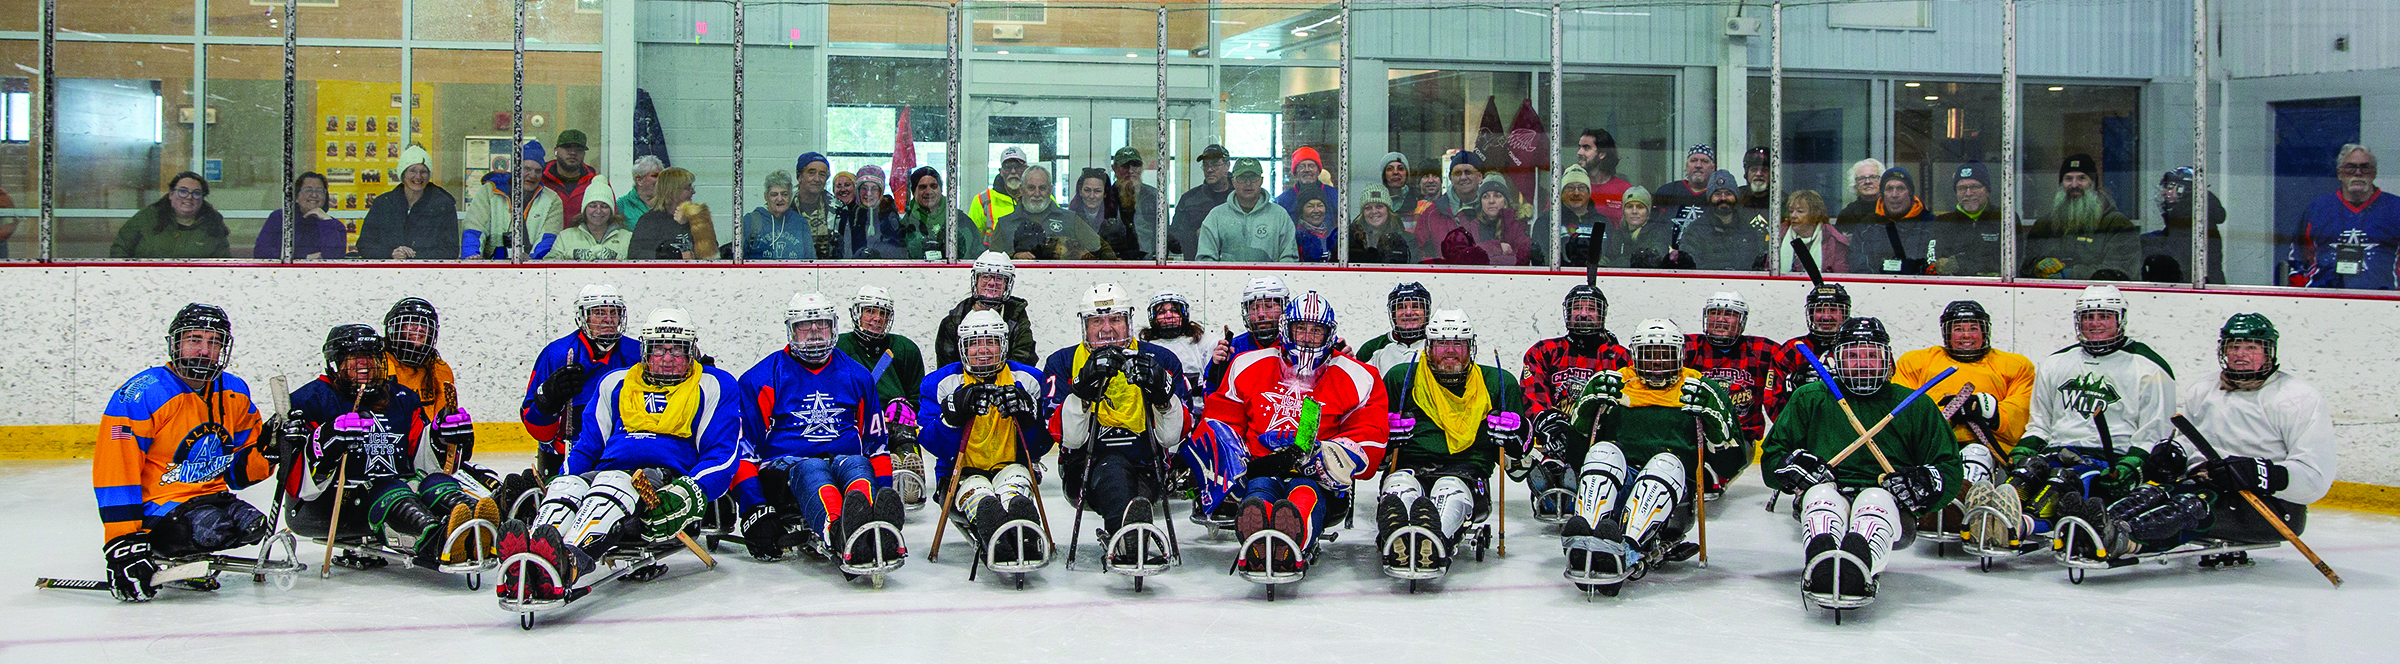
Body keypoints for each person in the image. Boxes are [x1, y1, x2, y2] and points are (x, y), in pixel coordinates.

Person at [495, 309, 734, 601]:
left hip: (659, 482)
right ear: (644, 351)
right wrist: (564, 479)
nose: (668, 358)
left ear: (692, 351)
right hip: (609, 471)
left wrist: (688, 494)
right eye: (659, 349)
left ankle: (566, 564)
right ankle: (528, 560)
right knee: (567, 487)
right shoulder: (615, 382)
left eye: (677, 350)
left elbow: (722, 456)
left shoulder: (712, 384)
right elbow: (587, 447)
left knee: (613, 484)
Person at [2097, 313, 2334, 564]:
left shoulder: (2298, 398)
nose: (2241, 354)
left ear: (2268, 353)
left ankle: (2124, 540)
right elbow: (2190, 442)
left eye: (2251, 347)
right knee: (2150, 494)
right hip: (2209, 487)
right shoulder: (2205, 389)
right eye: (2234, 346)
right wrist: (2174, 455)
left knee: (2189, 508)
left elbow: (2315, 476)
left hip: (2272, 506)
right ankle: (2100, 525)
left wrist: (2262, 473)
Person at [1761, 317, 1961, 606]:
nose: (1863, 363)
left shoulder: (1916, 404)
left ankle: (1857, 571)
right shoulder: (1810, 398)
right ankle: (1822, 565)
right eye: (1853, 355)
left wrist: (1924, 481)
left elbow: (1949, 467)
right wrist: (1792, 467)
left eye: (1872, 355)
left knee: (1875, 499)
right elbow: (1772, 461)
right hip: (1828, 493)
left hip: (1889, 505)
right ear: (1836, 360)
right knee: (1820, 496)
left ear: (1888, 360)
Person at [93, 304, 272, 601]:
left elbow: (239, 471)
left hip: (211, 496)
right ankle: (171, 549)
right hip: (161, 505)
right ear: (175, 344)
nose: (204, 350)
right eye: (194, 340)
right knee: (214, 531)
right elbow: (115, 471)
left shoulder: (234, 391)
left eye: (213, 342)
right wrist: (121, 541)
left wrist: (271, 450)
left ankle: (191, 552)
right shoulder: (142, 394)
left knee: (253, 527)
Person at [1202, 292, 1386, 572]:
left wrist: (1334, 456)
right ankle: (1257, 540)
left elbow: (1371, 432)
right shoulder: (1247, 364)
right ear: (1286, 329)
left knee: (1304, 495)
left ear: (1329, 334)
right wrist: (1233, 458)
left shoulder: (1357, 375)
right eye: (1301, 329)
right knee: (1257, 497)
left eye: (1316, 331)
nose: (1307, 338)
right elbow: (1220, 419)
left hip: (1318, 478)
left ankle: (1289, 545)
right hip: (1262, 468)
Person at [285, 324, 491, 571]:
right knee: (389, 488)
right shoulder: (310, 399)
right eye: (354, 358)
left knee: (435, 483)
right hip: (329, 508)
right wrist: (326, 441)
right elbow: (296, 484)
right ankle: (438, 542)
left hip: (391, 493)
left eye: (370, 356)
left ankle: (480, 528)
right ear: (336, 363)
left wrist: (441, 438)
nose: (364, 364)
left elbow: (421, 461)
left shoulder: (402, 397)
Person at [1555, 318, 1736, 588]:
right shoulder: (1615, 385)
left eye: (1664, 355)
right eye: (1649, 355)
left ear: (1680, 355)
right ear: (1635, 355)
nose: (1657, 364)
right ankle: (1586, 539)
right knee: (1604, 451)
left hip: (1672, 494)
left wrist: (1719, 431)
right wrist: (1583, 416)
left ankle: (1626, 550)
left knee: (1664, 463)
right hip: (1620, 484)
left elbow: (1729, 465)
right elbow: (1578, 459)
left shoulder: (1699, 389)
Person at [733, 293, 903, 564]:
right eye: (804, 326)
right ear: (791, 330)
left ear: (834, 327)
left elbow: (877, 446)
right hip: (784, 472)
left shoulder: (858, 376)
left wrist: (884, 490)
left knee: (858, 464)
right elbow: (743, 452)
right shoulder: (761, 379)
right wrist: (753, 506)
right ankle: (838, 532)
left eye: (822, 325)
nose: (814, 333)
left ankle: (877, 523)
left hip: (843, 462)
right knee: (812, 468)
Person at [1043, 283, 1188, 567]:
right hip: (1084, 469)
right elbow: (1069, 440)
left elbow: (1171, 438)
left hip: (1149, 467)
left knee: (1129, 489)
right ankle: (1130, 530)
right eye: (1097, 320)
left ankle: (1126, 530)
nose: (1106, 329)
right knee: (1114, 470)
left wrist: (1162, 398)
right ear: (1084, 326)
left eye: (1116, 319)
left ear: (1129, 321)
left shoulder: (1162, 359)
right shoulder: (1062, 362)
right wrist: (1081, 393)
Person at [1376, 310, 1524, 571]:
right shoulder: (1401, 378)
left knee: (1449, 489)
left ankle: (1433, 543)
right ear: (1429, 346)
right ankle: (1399, 537)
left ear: (1471, 347)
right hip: (1409, 466)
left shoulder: (1498, 382)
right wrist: (1387, 434)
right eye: (1443, 343)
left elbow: (1519, 458)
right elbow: (1377, 450)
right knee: (1399, 486)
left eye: (1459, 343)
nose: (1450, 351)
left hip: (1466, 471)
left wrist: (1514, 433)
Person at [2015, 285, 2177, 499]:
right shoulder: (2054, 363)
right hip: (2056, 453)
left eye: (2104, 316)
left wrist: (2131, 467)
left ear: (2120, 319)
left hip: (2108, 462)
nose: (2094, 323)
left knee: (2060, 489)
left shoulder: (2150, 368)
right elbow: (2040, 424)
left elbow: (2155, 433)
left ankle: (2026, 525)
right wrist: (2024, 449)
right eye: (2088, 316)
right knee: (2020, 480)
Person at [919, 309, 1053, 565]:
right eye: (974, 343)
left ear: (1003, 345)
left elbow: (1041, 445)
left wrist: (1029, 419)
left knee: (1013, 493)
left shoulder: (1029, 379)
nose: (983, 350)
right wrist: (950, 419)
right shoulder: (940, 383)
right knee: (981, 498)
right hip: (961, 474)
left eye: (990, 341)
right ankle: (998, 538)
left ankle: (1023, 532)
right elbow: (930, 443)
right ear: (962, 348)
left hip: (1013, 467)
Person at [1519, 285, 1631, 519]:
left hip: (1597, 436)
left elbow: (1627, 404)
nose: (1583, 314)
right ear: (1567, 314)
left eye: (1591, 308)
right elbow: (1532, 392)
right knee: (1553, 445)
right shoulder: (1545, 350)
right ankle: (1553, 482)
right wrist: (1548, 421)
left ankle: (1580, 482)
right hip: (1556, 434)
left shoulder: (1619, 356)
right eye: (1577, 308)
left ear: (1602, 315)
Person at [519, 285, 641, 477]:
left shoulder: (638, 354)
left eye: (614, 312)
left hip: (621, 452)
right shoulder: (556, 354)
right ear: (583, 316)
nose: (608, 319)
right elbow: (537, 430)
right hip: (566, 455)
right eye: (599, 313)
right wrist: (547, 402)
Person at [1894, 300, 2034, 458]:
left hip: (1988, 450)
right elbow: (1902, 411)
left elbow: (2023, 413)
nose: (1966, 335)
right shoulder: (1915, 362)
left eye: (1973, 328)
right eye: (1958, 329)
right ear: (1947, 333)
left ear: (1984, 332)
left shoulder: (2016, 365)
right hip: (1932, 447)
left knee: (1977, 457)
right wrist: (1945, 414)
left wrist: (1990, 412)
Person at [1681, 291, 1781, 493]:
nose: (1720, 320)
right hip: (1691, 432)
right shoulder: (1687, 347)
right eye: (1714, 314)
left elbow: (1795, 358)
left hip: (1738, 437)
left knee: (1722, 461)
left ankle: (1713, 477)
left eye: (1729, 314)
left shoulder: (1762, 350)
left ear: (1741, 320)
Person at [2284, 144, 2398, 289]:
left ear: (2374, 173)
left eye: (2365, 167)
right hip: (2324, 301)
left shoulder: (2396, 209)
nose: (2358, 173)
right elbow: (2298, 259)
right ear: (2339, 173)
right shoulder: (2317, 209)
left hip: (2383, 301)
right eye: (2351, 167)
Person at [2023, 154, 2140, 280]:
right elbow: (2024, 268)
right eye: (2068, 178)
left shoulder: (2116, 225)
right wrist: (2037, 266)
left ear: (2093, 183)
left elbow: (2120, 272)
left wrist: (2068, 274)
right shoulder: (2044, 225)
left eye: (2081, 178)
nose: (2074, 185)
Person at [838, 285, 928, 428]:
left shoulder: (905, 348)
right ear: (857, 314)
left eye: (883, 313)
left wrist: (907, 407)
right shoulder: (840, 347)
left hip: (896, 427)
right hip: (852, 426)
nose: (877, 318)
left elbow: (920, 397)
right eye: (870, 311)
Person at [934, 252, 1038, 366]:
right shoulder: (953, 321)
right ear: (976, 280)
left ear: (1007, 284)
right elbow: (947, 370)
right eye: (985, 276)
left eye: (999, 278)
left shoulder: (1016, 315)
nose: (992, 283)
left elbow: (1024, 360)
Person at [464, 141, 564, 260]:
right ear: (516, 169)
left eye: (538, 171)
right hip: (491, 265)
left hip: (532, 268)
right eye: (527, 169)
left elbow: (549, 238)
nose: (532, 175)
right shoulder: (489, 191)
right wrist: (472, 257)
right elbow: (474, 230)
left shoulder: (552, 199)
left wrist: (532, 260)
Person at [357, 146, 460, 260]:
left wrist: (413, 256)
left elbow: (451, 250)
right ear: (403, 174)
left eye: (423, 172)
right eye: (412, 171)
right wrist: (391, 253)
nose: (418, 177)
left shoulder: (443, 205)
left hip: (428, 274)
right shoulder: (383, 204)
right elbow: (364, 244)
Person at [380, 297, 465, 430]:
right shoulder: (380, 364)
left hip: (426, 442)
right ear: (394, 328)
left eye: (424, 325)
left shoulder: (439, 368)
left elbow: (442, 419)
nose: (419, 328)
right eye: (411, 323)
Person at [995, 166, 1114, 260]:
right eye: (1031, 188)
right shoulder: (1005, 223)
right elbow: (991, 260)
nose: (1037, 194)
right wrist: (1013, 257)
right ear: (1021, 189)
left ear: (1051, 189)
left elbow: (1103, 249)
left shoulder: (1069, 219)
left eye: (1042, 188)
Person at [1195, 158, 1299, 262]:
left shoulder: (1280, 216)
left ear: (1261, 181)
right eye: (1242, 178)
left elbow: (1289, 259)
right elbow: (1205, 260)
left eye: (1253, 178)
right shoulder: (1216, 216)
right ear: (1233, 182)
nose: (1248, 183)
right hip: (1226, 278)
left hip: (1270, 278)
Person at [113, 172, 232, 259]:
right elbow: (119, 250)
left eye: (196, 193)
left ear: (202, 199)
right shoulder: (147, 218)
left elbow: (223, 265)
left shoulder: (213, 227)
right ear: (171, 194)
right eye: (183, 191)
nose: (189, 197)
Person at [2143, 166, 2227, 284]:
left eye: (2169, 187)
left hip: (2195, 289)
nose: (2163, 193)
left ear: (2184, 189)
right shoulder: (2186, 216)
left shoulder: (2194, 219)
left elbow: (2178, 254)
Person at [1205, 276, 1291, 390]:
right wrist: (1217, 369)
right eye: (1254, 308)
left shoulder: (1296, 346)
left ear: (1284, 308)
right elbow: (1211, 398)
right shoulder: (1235, 348)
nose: (1261, 314)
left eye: (1269, 306)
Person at [1849, 167, 1936, 275]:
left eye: (1900, 188)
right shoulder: (1866, 227)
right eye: (1889, 189)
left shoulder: (1930, 224)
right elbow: (1858, 268)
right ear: (1882, 194)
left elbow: (1933, 268)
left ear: (1910, 193)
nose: (1894, 195)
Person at [1677, 170, 1767, 271]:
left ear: (1736, 197)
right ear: (1710, 198)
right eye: (1717, 194)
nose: (1723, 198)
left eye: (1728, 193)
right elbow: (1687, 269)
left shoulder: (1748, 230)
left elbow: (1757, 269)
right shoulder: (1695, 231)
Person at [1774, 283, 1853, 392]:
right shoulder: (1792, 349)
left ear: (1844, 315)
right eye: (1820, 310)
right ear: (1811, 314)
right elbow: (1772, 403)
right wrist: (1795, 391)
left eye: (1833, 310)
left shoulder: (1855, 349)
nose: (1826, 317)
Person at [1139, 289, 1219, 397]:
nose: (1168, 316)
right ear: (1153, 316)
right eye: (1161, 312)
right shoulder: (1146, 346)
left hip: (1198, 409)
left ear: (1183, 314)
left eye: (1174, 311)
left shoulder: (1204, 341)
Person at [252, 172, 349, 260]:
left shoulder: (335, 225)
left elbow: (336, 257)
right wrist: (304, 257)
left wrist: (326, 221)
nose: (314, 195)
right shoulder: (280, 218)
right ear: (297, 197)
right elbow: (261, 252)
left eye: (320, 191)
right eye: (308, 190)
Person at [1930, 162, 2004, 277]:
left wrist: (1958, 263)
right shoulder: (1943, 222)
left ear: (1987, 190)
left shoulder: (2004, 219)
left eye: (1974, 187)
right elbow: (1935, 266)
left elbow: (2009, 264)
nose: (1968, 193)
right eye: (1962, 188)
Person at [1169, 144, 1232, 260]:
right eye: (1205, 165)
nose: (1209, 169)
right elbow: (1173, 239)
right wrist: (1196, 235)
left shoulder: (1240, 197)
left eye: (1215, 165)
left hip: (1237, 267)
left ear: (1227, 165)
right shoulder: (1189, 199)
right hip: (1197, 267)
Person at [1536, 166, 1608, 267]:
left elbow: (1612, 255)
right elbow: (1540, 258)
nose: (1576, 193)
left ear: (1589, 193)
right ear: (1562, 192)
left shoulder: (1601, 221)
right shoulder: (1548, 220)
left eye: (1582, 188)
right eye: (1570, 187)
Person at [1355, 282, 1433, 376]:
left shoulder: (1439, 347)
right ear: (1393, 314)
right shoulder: (1372, 349)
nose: (1408, 312)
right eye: (1401, 307)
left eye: (1415, 306)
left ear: (1426, 312)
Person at [901, 166, 977, 260]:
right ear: (913, 192)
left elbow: (976, 256)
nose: (928, 192)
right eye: (922, 187)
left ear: (941, 189)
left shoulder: (961, 221)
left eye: (934, 186)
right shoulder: (905, 225)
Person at [547, 177, 632, 260]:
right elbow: (547, 264)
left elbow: (637, 267)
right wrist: (570, 255)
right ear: (584, 209)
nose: (598, 211)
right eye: (593, 206)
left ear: (611, 211)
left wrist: (617, 258)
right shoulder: (565, 237)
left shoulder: (627, 238)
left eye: (604, 206)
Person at [833, 164, 907, 259]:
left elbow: (898, 252)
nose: (868, 193)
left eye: (874, 188)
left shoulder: (889, 216)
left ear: (881, 192)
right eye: (864, 188)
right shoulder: (852, 216)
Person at [743, 170, 819, 260]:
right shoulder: (750, 221)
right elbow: (737, 259)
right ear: (766, 197)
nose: (779, 199)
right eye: (774, 194)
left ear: (790, 196)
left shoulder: (800, 222)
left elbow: (810, 260)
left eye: (784, 194)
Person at [1069, 167, 1139, 261]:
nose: (1092, 196)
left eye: (1097, 191)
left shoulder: (1119, 217)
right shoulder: (1069, 217)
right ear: (1080, 191)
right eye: (1087, 190)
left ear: (1105, 193)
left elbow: (1131, 248)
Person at [1777, 190, 1851, 274]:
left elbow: (1841, 277)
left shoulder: (1834, 240)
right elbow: (1769, 270)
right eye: (1791, 211)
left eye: (1800, 211)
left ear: (1815, 214)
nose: (1793, 215)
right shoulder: (1778, 235)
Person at [1108, 147, 1162, 259]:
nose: (1130, 170)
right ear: (1114, 169)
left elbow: (1162, 235)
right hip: (1114, 263)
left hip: (1148, 263)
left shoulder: (1155, 197)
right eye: (1125, 166)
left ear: (1141, 168)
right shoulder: (1105, 197)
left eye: (1135, 165)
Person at [969, 147, 1030, 246]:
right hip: (995, 260)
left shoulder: (1040, 198)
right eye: (1008, 167)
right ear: (1001, 171)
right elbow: (972, 242)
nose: (1013, 171)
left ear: (1026, 170)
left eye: (1018, 167)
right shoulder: (983, 200)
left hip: (1032, 260)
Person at [1599, 186, 1671, 268]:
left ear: (1648, 213)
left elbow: (1653, 259)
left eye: (1640, 207)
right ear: (1624, 211)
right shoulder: (1618, 234)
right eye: (1629, 207)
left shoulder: (1658, 232)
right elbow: (1607, 259)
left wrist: (1617, 263)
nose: (1634, 211)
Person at [1652, 145, 1717, 231]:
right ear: (1686, 166)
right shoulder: (1667, 191)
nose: (1698, 165)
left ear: (1713, 168)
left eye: (1704, 161)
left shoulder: (1719, 196)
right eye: (1693, 160)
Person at [1575, 128, 1633, 224]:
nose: (1579, 152)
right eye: (1579, 147)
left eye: (1586, 148)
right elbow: (1549, 219)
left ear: (1602, 154)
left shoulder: (1624, 189)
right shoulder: (1571, 187)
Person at [540, 129, 599, 215]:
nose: (573, 153)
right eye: (567, 148)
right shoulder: (539, 179)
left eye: (578, 149)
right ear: (556, 150)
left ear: (584, 154)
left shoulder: (595, 183)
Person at [1348, 188, 1415, 264]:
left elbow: (1416, 269)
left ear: (1388, 210)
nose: (1374, 211)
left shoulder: (1407, 239)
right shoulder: (1349, 239)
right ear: (1363, 213)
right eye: (1368, 208)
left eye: (1379, 206)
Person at [1274, 146, 1340, 223]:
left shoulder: (1335, 195)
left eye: (1311, 166)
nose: (1307, 170)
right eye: (1302, 166)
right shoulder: (1282, 201)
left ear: (1318, 171)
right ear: (1295, 172)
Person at [1833, 158, 1887, 227]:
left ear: (1882, 180)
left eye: (1873, 177)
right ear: (1855, 184)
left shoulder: (1891, 208)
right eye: (1861, 178)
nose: (1867, 182)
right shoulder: (1848, 214)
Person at [1292, 191, 1339, 263]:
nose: (1316, 210)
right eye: (1310, 206)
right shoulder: (1296, 235)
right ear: (1301, 210)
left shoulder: (1333, 233)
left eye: (1320, 205)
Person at [617, 155, 664, 226]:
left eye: (662, 176)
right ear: (639, 180)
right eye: (655, 176)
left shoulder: (667, 202)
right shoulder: (622, 205)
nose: (660, 180)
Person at [1376, 152, 1421, 224]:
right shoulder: (1374, 202)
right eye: (1390, 169)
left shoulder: (1419, 201)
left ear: (1406, 174)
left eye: (1400, 168)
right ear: (1384, 175)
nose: (1395, 172)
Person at [1739, 146, 1773, 214]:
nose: (1759, 174)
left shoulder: (1781, 201)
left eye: (1764, 170)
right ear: (1746, 173)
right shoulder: (1737, 198)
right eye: (1754, 169)